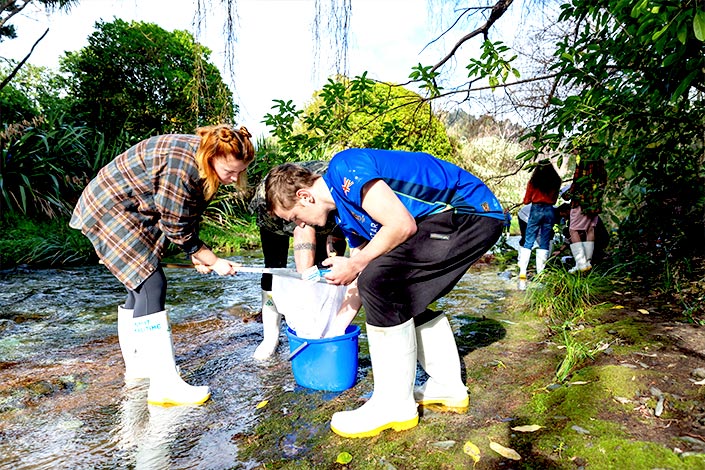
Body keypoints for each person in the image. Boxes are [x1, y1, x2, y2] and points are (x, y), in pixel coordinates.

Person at [265, 148, 505, 438]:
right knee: (393, 290)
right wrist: (332, 331)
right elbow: (359, 279)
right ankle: (447, 385)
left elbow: (401, 225)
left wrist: (356, 264)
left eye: (294, 217)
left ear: (305, 196)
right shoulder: (347, 218)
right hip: (449, 221)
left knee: (380, 282)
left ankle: (393, 405)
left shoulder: (345, 168)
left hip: (468, 212)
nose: (299, 225)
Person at [70, 124, 255, 407]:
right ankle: (164, 385)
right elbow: (175, 225)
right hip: (113, 207)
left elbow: (186, 212)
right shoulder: (183, 166)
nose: (234, 178)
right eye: (230, 171)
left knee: (138, 288)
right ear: (212, 156)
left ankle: (139, 368)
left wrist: (196, 253)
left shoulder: (201, 161)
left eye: (240, 171)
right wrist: (212, 260)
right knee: (151, 283)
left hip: (132, 207)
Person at [247, 160, 346, 360]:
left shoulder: (338, 188)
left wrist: (332, 266)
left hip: (314, 204)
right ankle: (270, 338)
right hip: (274, 204)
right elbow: (303, 230)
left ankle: (323, 328)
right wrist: (305, 279)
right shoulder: (283, 208)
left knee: (323, 271)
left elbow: (339, 238)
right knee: (274, 270)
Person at [517, 160, 562, 286]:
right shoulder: (556, 181)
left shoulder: (533, 181)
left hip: (535, 210)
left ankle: (522, 272)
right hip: (549, 211)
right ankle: (540, 273)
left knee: (529, 240)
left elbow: (526, 201)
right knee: (544, 241)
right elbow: (554, 200)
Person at [563, 153, 607, 272]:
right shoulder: (602, 170)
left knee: (573, 230)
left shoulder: (583, 165)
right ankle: (587, 262)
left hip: (580, 204)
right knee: (590, 230)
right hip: (594, 205)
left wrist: (567, 195)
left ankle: (581, 263)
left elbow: (576, 183)